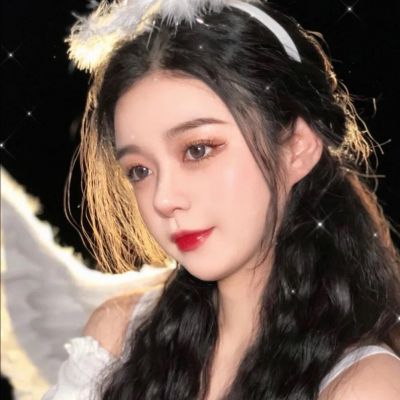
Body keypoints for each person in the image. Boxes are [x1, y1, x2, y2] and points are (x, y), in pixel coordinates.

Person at [44, 0, 400, 399]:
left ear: (297, 146)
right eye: (139, 170)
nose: (163, 198)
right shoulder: (117, 339)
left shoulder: (362, 386)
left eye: (198, 150)